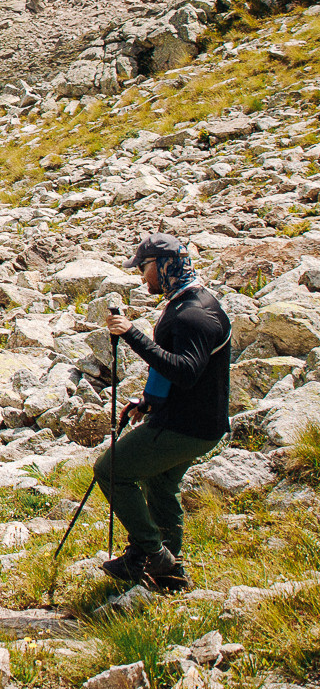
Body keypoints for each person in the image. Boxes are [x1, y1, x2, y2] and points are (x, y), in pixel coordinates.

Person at [96, 233, 232, 591]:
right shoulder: (187, 304)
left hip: (186, 427)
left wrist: (132, 334)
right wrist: (149, 402)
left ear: (166, 266)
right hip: (198, 423)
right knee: (160, 483)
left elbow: (185, 372)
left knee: (110, 471)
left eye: (145, 267)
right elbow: (187, 373)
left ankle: (151, 553)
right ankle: (169, 573)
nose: (142, 276)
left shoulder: (193, 315)